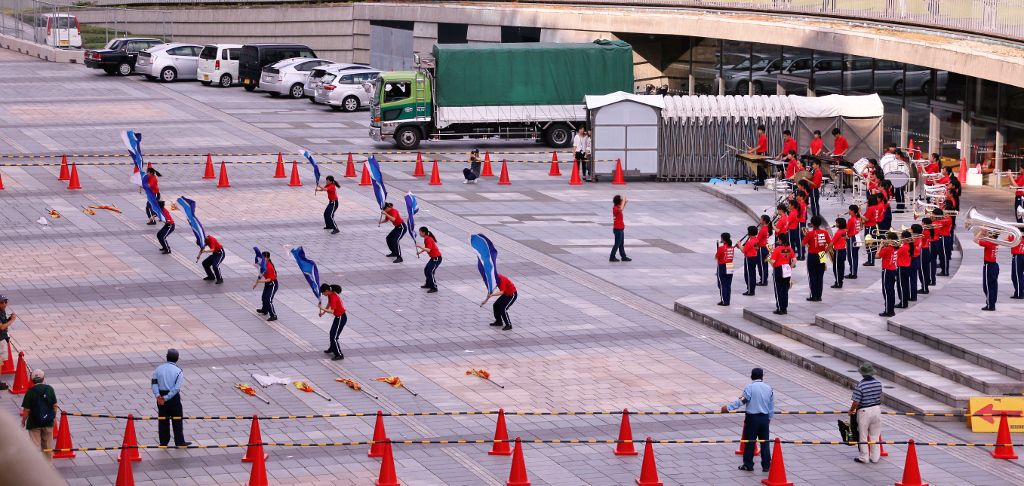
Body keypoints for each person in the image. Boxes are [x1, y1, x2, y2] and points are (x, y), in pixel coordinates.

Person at [721, 368, 775, 473]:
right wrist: (768, 418)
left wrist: (728, 408)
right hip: (764, 418)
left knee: (749, 441)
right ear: (762, 377)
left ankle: (748, 465)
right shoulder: (769, 388)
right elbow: (771, 406)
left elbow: (742, 401)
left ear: (751, 376)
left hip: (752, 419)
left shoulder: (749, 388)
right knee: (765, 442)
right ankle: (766, 466)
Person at [152, 349, 190, 447]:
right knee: (177, 419)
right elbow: (176, 388)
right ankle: (179, 441)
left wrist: (158, 396)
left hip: (160, 397)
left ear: (166, 357)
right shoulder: (178, 371)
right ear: (177, 359)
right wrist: (166, 397)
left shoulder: (158, 369)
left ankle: (163, 442)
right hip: (173, 398)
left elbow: (154, 383)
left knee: (163, 420)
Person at [849, 362, 883, 464]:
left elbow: (856, 402)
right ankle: (875, 457)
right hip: (877, 410)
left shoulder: (860, 385)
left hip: (864, 411)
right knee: (875, 435)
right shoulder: (878, 383)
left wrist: (851, 410)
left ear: (862, 374)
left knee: (863, 435)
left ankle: (864, 457)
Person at [21, 369, 57, 461]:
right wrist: (53, 417)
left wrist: (23, 421)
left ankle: (37, 467)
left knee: (35, 447)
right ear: (43, 378)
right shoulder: (50, 389)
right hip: (48, 422)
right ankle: (48, 467)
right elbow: (55, 405)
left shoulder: (30, 392)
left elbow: (26, 410)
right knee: (48, 447)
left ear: (32, 379)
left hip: (34, 423)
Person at [803, 215, 830, 301]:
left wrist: (809, 243)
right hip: (822, 254)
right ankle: (819, 296)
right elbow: (830, 244)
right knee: (820, 276)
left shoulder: (810, 233)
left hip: (812, 254)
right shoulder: (825, 232)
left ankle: (813, 295)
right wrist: (825, 251)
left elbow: (803, 244)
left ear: (812, 224)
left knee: (812, 276)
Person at [318, 284, 346, 360]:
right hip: (338, 317)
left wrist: (322, 308)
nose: (323, 294)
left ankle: (339, 354)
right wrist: (323, 313)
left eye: (323, 293)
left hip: (341, 318)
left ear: (327, 291)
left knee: (334, 337)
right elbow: (329, 303)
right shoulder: (330, 294)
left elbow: (331, 311)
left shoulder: (333, 297)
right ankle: (332, 348)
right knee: (332, 333)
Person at [771, 234, 795, 315]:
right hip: (787, 269)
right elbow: (794, 260)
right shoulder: (790, 249)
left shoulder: (777, 249)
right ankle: (784, 308)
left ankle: (779, 308)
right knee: (785, 289)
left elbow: (773, 261)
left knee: (778, 289)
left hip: (778, 269)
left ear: (780, 240)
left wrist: (770, 261)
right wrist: (790, 267)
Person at [415, 227, 442, 292]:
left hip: (436, 258)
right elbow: (427, 247)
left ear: (424, 233)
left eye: (420, 232)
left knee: (430, 272)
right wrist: (420, 252)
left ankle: (434, 287)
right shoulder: (426, 238)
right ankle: (428, 284)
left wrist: (419, 246)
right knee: (426, 270)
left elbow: (428, 249)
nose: (419, 233)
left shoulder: (428, 239)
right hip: (433, 258)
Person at [878, 232, 898, 317]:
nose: (885, 240)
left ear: (890, 239)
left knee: (886, 291)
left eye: (887, 238)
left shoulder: (887, 249)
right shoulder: (897, 247)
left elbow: (877, 256)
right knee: (891, 291)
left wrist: (880, 247)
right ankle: (891, 310)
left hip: (887, 270)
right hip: (893, 269)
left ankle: (888, 311)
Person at [979, 232, 1001, 311]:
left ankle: (990, 305)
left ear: (992, 235)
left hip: (989, 266)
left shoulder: (989, 242)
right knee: (993, 286)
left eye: (989, 233)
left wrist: (981, 231)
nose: (987, 234)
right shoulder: (995, 242)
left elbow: (975, 240)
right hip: (994, 265)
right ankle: (992, 304)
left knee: (987, 287)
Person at [254, 251, 278, 321]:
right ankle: (264, 310)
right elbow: (261, 273)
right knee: (264, 297)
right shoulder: (263, 264)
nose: (262, 258)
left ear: (267, 258)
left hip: (272, 284)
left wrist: (260, 281)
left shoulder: (269, 267)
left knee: (268, 300)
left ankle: (273, 315)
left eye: (263, 257)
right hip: (268, 284)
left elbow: (270, 279)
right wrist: (256, 283)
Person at [715, 233, 735, 306]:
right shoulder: (731, 247)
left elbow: (716, 257)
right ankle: (727, 300)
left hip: (722, 266)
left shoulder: (721, 248)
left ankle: (724, 301)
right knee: (728, 284)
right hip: (730, 265)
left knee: (722, 284)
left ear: (723, 239)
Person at [610, 195, 631, 262]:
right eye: (621, 200)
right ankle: (612, 257)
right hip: (618, 229)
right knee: (617, 244)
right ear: (619, 201)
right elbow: (621, 209)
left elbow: (621, 208)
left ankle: (623, 257)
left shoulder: (617, 207)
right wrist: (624, 202)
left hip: (620, 228)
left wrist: (624, 203)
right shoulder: (615, 208)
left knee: (621, 244)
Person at [0, 295, 14, 391]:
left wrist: (9, 319)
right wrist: (12, 320)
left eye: (5, 302)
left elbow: (3, 323)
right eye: (2, 302)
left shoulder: (2, 311)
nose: (4, 304)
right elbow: (1, 327)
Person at [896, 230, 913, 308]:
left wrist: (898, 244)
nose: (900, 238)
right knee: (905, 285)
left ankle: (903, 302)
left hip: (902, 268)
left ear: (904, 238)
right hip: (907, 267)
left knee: (901, 286)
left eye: (901, 237)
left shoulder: (904, 247)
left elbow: (896, 253)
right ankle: (904, 301)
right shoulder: (909, 245)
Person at [740, 226, 759, 296]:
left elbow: (743, 250)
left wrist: (739, 245)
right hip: (754, 257)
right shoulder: (756, 239)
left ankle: (750, 290)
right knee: (752, 274)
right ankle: (752, 289)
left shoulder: (750, 242)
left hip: (749, 259)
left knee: (748, 275)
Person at [912, 224, 930, 295]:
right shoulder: (920, 236)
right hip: (924, 251)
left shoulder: (919, 237)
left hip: (922, 252)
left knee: (922, 271)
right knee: (924, 271)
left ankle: (925, 288)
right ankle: (924, 287)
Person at [831, 218, 848, 289]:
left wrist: (826, 249)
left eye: (837, 223)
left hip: (838, 251)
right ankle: (840, 281)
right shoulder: (844, 231)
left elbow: (832, 243)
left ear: (839, 224)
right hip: (843, 250)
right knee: (841, 267)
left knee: (836, 268)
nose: (836, 224)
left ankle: (838, 282)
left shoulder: (838, 233)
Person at [756, 215, 772, 286]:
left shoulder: (763, 230)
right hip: (765, 247)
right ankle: (764, 279)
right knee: (764, 265)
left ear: (764, 221)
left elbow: (757, 240)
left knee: (761, 265)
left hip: (761, 248)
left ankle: (763, 281)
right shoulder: (766, 228)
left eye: (761, 219)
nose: (760, 220)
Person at [846, 205, 861, 279]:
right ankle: (854, 272)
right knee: (855, 256)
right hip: (857, 238)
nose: (848, 211)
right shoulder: (857, 219)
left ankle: (853, 273)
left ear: (852, 211)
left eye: (849, 210)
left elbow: (847, 230)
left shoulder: (851, 219)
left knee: (851, 257)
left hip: (852, 238)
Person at [1012, 233, 1024, 299]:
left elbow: (1008, 240)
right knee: (1019, 275)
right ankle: (1018, 292)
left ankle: (1019, 293)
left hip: (1018, 255)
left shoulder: (1017, 236)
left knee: (1017, 276)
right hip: (1021, 254)